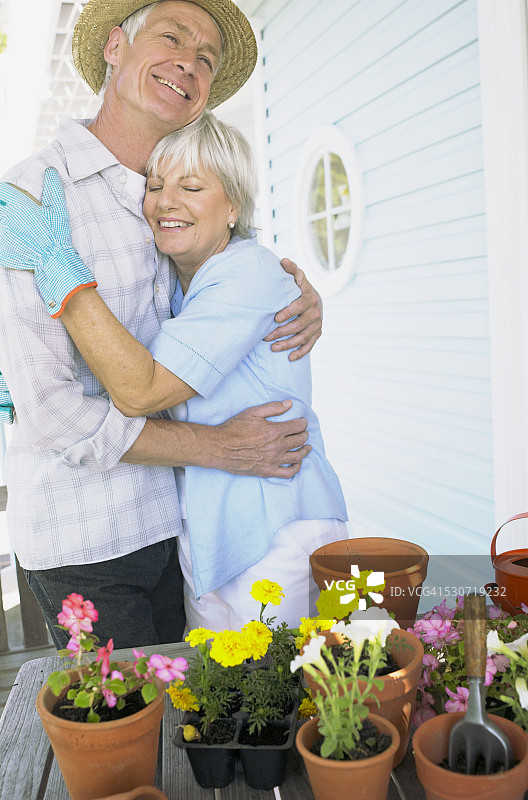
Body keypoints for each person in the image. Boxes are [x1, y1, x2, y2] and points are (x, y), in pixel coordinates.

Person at [0, 0, 323, 649]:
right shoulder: (31, 193)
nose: (188, 63)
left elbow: (225, 291)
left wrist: (291, 293)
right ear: (114, 46)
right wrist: (218, 448)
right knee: (134, 717)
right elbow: (51, 415)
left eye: (206, 57)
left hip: (177, 529)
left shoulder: (160, 196)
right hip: (87, 542)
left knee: (210, 705)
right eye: (171, 37)